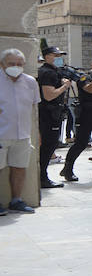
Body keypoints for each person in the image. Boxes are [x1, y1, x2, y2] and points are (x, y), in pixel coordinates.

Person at [0, 48, 41, 213]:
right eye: (11, 64)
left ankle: (16, 200)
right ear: (2, 64)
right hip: (1, 134)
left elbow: (33, 108)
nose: (15, 67)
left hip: (23, 135)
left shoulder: (30, 82)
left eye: (19, 64)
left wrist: (37, 133)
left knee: (19, 167)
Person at [35, 45, 69, 189]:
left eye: (59, 55)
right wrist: (64, 86)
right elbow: (48, 96)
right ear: (47, 56)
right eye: (55, 56)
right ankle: (43, 178)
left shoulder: (50, 71)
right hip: (49, 114)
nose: (58, 58)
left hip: (51, 113)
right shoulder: (47, 73)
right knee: (48, 146)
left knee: (49, 146)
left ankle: (43, 176)